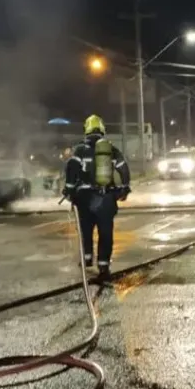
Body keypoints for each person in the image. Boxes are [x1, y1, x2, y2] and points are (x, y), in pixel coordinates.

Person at [62, 114, 131, 282]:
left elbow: (71, 170)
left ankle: (86, 259)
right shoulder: (111, 150)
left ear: (86, 130)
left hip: (84, 199)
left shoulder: (80, 150)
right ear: (102, 130)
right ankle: (104, 266)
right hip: (106, 198)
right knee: (105, 233)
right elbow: (123, 169)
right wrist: (124, 189)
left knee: (86, 231)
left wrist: (69, 191)